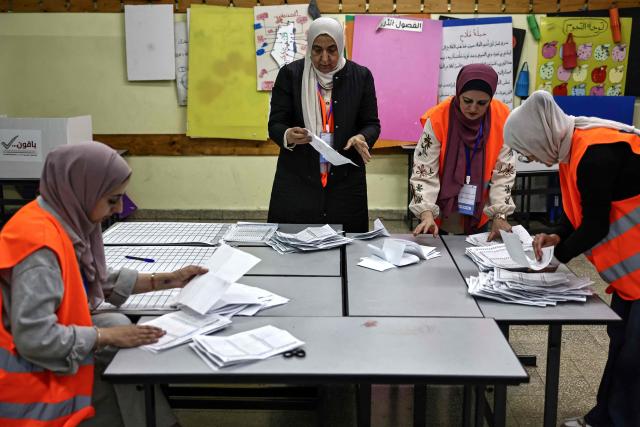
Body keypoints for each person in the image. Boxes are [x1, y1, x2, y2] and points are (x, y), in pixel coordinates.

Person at [0, 142, 207, 427]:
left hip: (38, 351)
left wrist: (166, 280)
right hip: (27, 379)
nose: (119, 208)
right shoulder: (40, 248)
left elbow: (83, 279)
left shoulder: (55, 217)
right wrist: (104, 337)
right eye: (112, 200)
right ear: (83, 190)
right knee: (116, 335)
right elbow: (35, 339)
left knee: (115, 323)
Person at [504, 90, 640, 427]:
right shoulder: (573, 147)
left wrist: (554, 259)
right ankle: (602, 418)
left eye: (526, 148)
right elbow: (580, 211)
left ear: (539, 133)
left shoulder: (595, 154)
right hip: (632, 278)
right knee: (619, 344)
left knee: (634, 361)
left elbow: (595, 226)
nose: (530, 157)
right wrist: (558, 235)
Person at [267, 17, 380, 233]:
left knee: (347, 249)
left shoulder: (361, 76)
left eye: (332, 50)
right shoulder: (290, 75)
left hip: (345, 182)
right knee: (293, 248)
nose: (324, 58)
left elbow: (371, 124)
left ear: (341, 46)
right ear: (309, 47)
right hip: (298, 179)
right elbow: (275, 124)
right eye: (317, 50)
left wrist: (362, 137)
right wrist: (288, 134)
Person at [409, 64, 516, 240]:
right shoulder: (438, 118)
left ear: (491, 99)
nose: (473, 108)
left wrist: (500, 215)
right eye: (467, 101)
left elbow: (504, 172)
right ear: (458, 93)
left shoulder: (502, 117)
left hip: (479, 206)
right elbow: (424, 170)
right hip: (439, 209)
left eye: (482, 103)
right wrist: (426, 212)